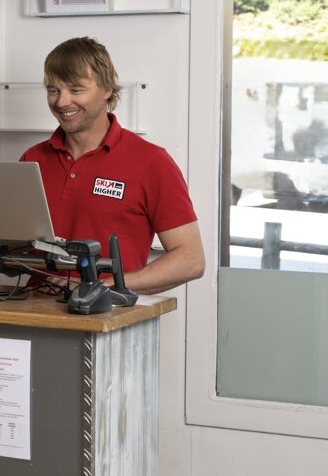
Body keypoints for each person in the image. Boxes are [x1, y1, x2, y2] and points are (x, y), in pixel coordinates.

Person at [20, 37, 204, 295]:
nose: (61, 102)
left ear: (106, 89)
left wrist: (105, 286)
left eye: (75, 90)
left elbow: (191, 260)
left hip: (107, 318)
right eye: (53, 90)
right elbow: (18, 252)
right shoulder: (33, 159)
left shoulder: (151, 162)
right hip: (31, 312)